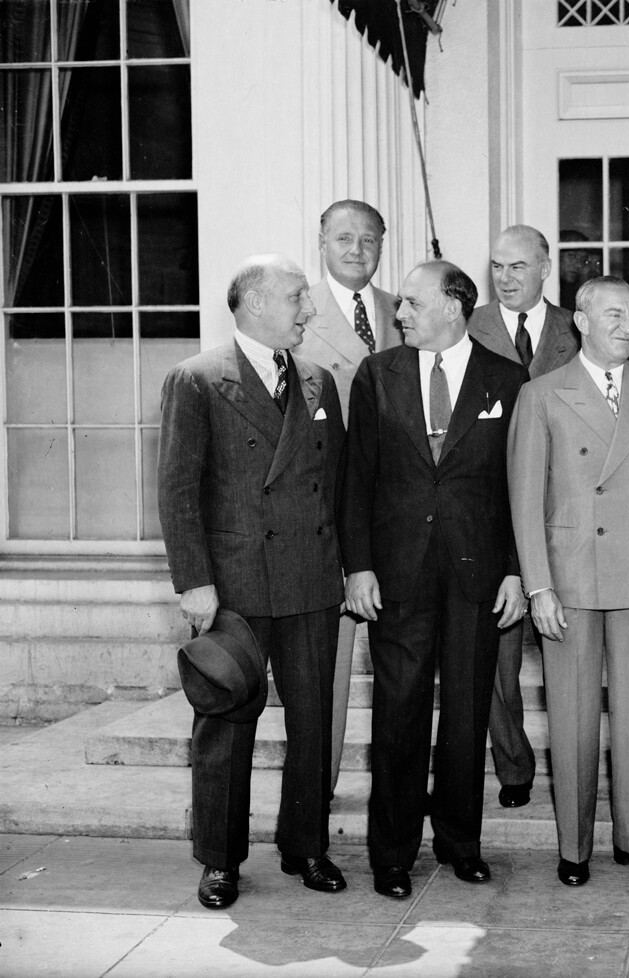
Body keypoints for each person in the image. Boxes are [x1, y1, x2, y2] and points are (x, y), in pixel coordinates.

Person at [158, 254, 347, 910]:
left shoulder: (320, 381)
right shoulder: (198, 380)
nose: (308, 309)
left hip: (312, 581)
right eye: (296, 297)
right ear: (254, 303)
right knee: (226, 723)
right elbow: (178, 488)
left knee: (314, 721)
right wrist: (193, 581)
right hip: (233, 586)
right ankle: (219, 859)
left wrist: (349, 570)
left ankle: (307, 846)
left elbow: (340, 491)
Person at [338, 260, 528, 900]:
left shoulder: (507, 377)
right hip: (398, 573)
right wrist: (358, 566)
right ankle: (391, 854)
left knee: (469, 714)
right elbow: (355, 479)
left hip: (477, 573)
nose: (400, 313)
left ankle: (459, 844)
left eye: (413, 303)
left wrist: (514, 571)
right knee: (398, 713)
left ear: (454, 306)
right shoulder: (377, 375)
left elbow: (519, 487)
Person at [508, 275, 629, 887]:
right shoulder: (542, 393)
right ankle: (574, 847)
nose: (625, 325)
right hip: (571, 579)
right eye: (611, 314)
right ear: (579, 322)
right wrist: (538, 586)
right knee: (574, 717)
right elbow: (525, 500)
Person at [468, 224, 580, 809]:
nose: (506, 278)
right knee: (498, 660)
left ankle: (575, 771)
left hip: (565, 513)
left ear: (544, 268)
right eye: (497, 267)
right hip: (491, 513)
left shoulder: (575, 327)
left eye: (517, 266)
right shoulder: (470, 327)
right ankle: (514, 765)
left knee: (569, 660)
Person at [293, 199, 400, 793]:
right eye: (344, 239)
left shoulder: (399, 309)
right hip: (327, 510)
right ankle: (317, 794)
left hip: (398, 512)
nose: (357, 250)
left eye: (369, 240)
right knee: (326, 669)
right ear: (322, 241)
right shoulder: (298, 310)